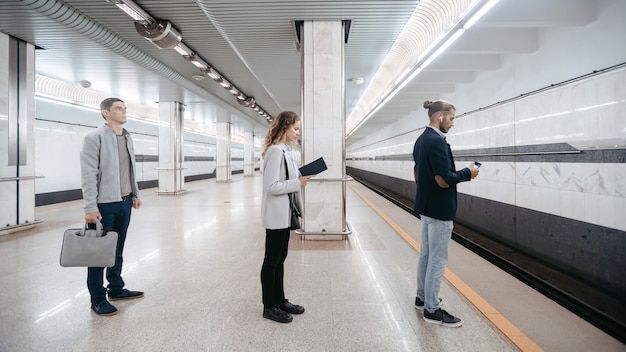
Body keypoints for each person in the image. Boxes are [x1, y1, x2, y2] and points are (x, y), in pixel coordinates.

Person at [412, 100, 478, 327]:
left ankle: (422, 297)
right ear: (439, 116)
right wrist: (468, 173)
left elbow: (417, 175)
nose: (453, 123)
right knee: (437, 259)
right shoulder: (437, 142)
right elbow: (443, 180)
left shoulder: (421, 140)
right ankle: (432, 310)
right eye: (451, 118)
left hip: (426, 207)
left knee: (426, 255)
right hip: (440, 209)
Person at [80, 97, 144, 316]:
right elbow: (88, 174)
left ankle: (115, 288)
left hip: (125, 202)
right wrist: (90, 207)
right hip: (103, 205)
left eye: (125, 108)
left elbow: (131, 168)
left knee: (117, 250)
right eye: (119, 108)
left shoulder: (128, 138)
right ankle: (97, 298)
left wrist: (135, 193)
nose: (124, 111)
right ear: (105, 113)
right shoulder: (94, 138)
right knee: (98, 253)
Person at [260, 111, 313, 323]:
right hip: (275, 215)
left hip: (285, 213)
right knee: (271, 261)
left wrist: (299, 177)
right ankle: (269, 306)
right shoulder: (275, 152)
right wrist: (296, 183)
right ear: (284, 128)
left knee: (280, 259)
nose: (298, 133)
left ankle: (280, 300)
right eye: (296, 128)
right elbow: (271, 186)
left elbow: (288, 179)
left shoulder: (287, 151)